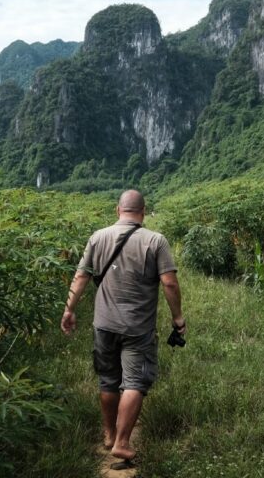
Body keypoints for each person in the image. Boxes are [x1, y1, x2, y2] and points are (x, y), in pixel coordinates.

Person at [61, 188, 185, 470]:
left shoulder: (98, 236)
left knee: (107, 379)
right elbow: (170, 283)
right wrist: (177, 318)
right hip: (137, 328)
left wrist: (69, 309)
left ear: (118, 210)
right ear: (143, 212)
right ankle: (123, 442)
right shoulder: (156, 241)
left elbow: (81, 276)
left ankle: (109, 435)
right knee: (135, 382)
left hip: (103, 324)